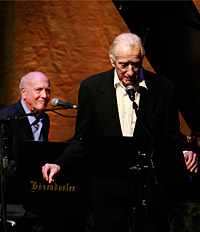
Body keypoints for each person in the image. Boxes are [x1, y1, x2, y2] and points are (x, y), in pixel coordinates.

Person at [42, 33, 198, 232]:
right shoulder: (92, 88)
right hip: (109, 198)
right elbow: (82, 139)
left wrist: (184, 151)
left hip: (149, 197)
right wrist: (59, 163)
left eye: (136, 64)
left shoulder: (163, 88)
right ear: (112, 60)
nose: (131, 72)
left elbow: (172, 134)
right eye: (124, 64)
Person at [0, 71, 51, 231]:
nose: (45, 95)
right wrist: (31, 172)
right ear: (24, 92)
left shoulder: (44, 118)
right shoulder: (6, 119)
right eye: (39, 90)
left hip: (35, 193)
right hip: (12, 198)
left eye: (48, 90)